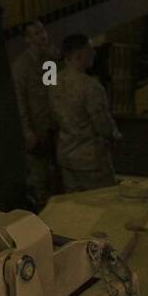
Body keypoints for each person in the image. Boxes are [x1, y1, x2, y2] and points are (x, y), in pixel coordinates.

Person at [50, 33, 120, 192]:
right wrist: (115, 135)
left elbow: (53, 113)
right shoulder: (91, 87)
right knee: (103, 202)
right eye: (90, 49)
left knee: (75, 205)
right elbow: (102, 124)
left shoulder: (54, 80)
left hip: (66, 154)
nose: (94, 53)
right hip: (90, 158)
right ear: (79, 55)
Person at [10, 20, 59, 208]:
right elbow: (19, 100)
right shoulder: (22, 66)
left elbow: (52, 89)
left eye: (43, 31)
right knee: (39, 177)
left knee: (55, 173)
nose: (42, 36)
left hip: (51, 125)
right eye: (36, 34)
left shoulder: (49, 60)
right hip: (35, 128)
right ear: (27, 39)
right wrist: (27, 131)